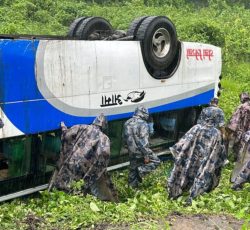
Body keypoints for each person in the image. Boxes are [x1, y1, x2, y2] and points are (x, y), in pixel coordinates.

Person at [168, 99, 226, 204]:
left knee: (190, 164)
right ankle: (193, 195)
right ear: (217, 103)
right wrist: (224, 138)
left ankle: (180, 188)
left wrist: (179, 151)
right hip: (210, 143)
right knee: (204, 167)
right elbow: (221, 126)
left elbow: (184, 141)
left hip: (196, 145)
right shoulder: (217, 129)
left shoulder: (196, 127)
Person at [49, 114, 118, 202]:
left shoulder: (82, 127)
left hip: (72, 160)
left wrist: (63, 128)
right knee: (79, 185)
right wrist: (97, 169)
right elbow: (104, 154)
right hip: (86, 166)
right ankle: (73, 201)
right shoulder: (104, 138)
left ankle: (56, 198)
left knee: (64, 179)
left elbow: (67, 136)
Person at [123, 105, 160, 188]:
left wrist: (129, 148)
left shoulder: (127, 122)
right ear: (143, 113)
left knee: (133, 169)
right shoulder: (143, 124)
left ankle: (132, 188)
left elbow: (124, 140)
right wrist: (146, 155)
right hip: (141, 151)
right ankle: (141, 170)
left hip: (131, 151)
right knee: (156, 161)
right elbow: (144, 142)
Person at [226, 92, 250, 162]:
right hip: (247, 132)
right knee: (242, 147)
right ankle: (237, 160)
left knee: (231, 144)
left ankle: (227, 159)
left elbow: (235, 120)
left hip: (238, 130)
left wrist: (230, 130)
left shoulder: (242, 106)